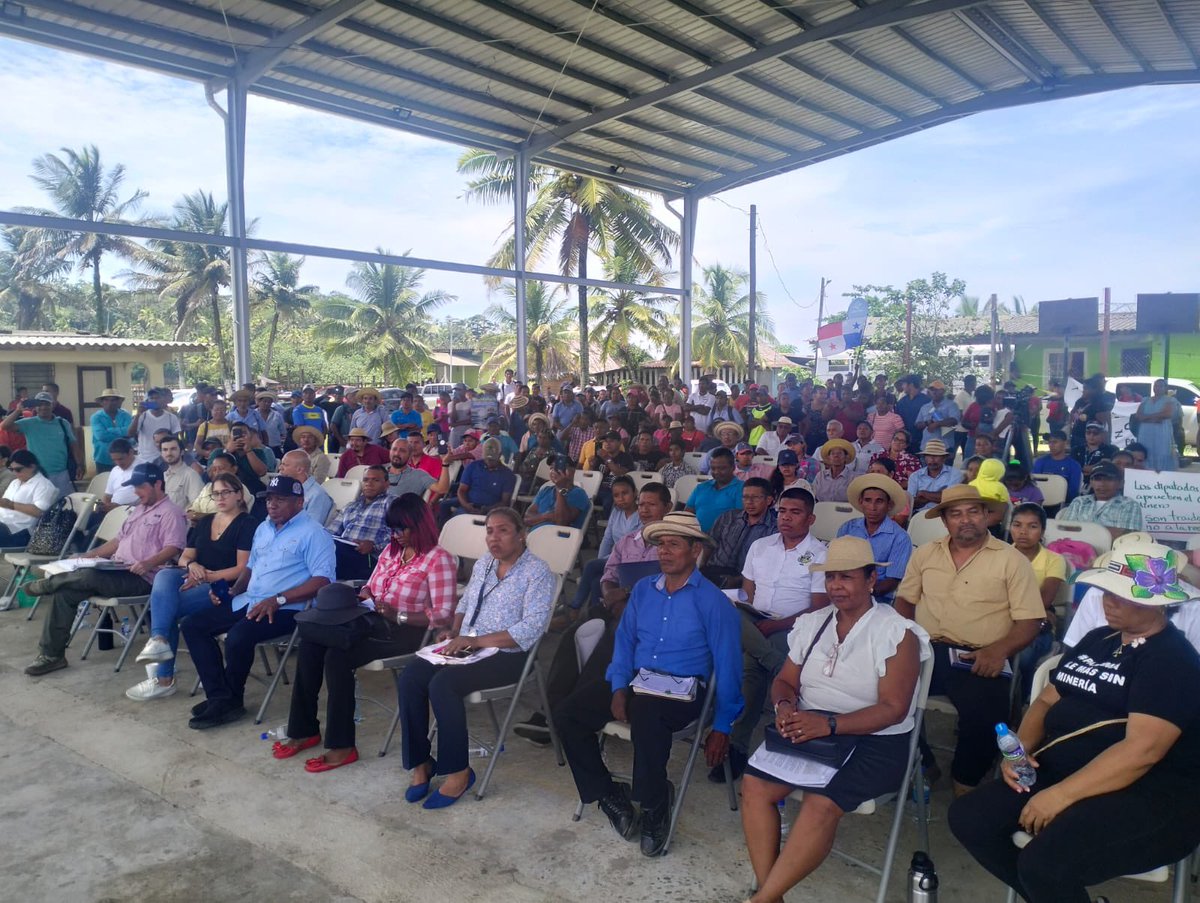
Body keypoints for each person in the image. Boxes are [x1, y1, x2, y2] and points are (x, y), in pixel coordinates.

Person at [949, 537, 1200, 903]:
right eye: (1104, 591)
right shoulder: (1100, 638)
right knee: (969, 818)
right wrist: (1018, 754)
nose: (1106, 601)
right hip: (1062, 767)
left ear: (1157, 602)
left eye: (1121, 595)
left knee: (1045, 863)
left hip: (1147, 792)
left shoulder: (1172, 661)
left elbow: (1141, 751)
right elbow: (1047, 700)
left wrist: (1060, 796)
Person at [740, 537, 930, 903]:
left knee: (820, 803)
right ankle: (770, 894)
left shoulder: (894, 632)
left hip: (876, 740)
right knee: (754, 785)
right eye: (830, 578)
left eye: (846, 577)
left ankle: (762, 899)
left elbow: (894, 708)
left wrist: (828, 724)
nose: (836, 586)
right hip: (813, 727)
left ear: (871, 579)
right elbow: (784, 680)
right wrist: (783, 706)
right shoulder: (813, 623)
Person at [555, 511, 742, 856]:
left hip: (684, 690)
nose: (665, 551)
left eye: (674, 544)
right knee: (569, 712)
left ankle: (654, 804)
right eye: (661, 544)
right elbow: (624, 644)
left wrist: (723, 725)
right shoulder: (642, 590)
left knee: (648, 713)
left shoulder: (714, 602)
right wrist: (617, 688)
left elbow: (730, 667)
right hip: (637, 682)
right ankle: (609, 794)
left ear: (695, 550)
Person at [276, 495, 456, 771]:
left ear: (420, 525)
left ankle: (342, 745)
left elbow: (443, 613)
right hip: (370, 618)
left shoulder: (438, 559)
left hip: (405, 630)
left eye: (404, 529)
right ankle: (304, 729)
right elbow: (370, 586)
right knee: (311, 642)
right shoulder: (392, 550)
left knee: (337, 656)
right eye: (394, 529)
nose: (398, 535)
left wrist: (398, 614)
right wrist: (366, 594)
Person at [399, 507, 554, 808]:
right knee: (411, 677)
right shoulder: (485, 563)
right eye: (489, 531)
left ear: (522, 535)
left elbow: (531, 629)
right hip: (468, 645)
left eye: (503, 530)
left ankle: (459, 771)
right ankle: (421, 764)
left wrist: (474, 640)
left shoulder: (538, 572)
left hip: (507, 653)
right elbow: (466, 601)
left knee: (443, 686)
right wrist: (452, 630)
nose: (494, 538)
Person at [895, 485, 1044, 795]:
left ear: (986, 516)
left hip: (979, 655)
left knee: (984, 717)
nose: (965, 520)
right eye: (956, 514)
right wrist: (906, 638)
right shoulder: (925, 553)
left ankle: (966, 785)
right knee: (881, 694)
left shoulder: (1011, 560)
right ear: (945, 521)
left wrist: (998, 650)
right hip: (927, 648)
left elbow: (1030, 621)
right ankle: (924, 763)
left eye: (973, 512)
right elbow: (905, 601)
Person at [181, 474, 335, 729]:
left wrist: (279, 598)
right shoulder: (263, 527)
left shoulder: (314, 534)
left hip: (286, 608)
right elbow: (250, 568)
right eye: (269, 499)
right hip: (249, 599)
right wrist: (231, 592)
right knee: (192, 625)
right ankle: (221, 697)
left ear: (299, 502)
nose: (272, 505)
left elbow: (323, 581)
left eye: (281, 500)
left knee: (238, 636)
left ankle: (232, 699)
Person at [23, 463, 187, 676]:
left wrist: (149, 562)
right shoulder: (139, 509)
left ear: (157, 484)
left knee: (89, 576)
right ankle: (52, 656)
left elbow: (174, 547)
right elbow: (116, 542)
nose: (136, 491)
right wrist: (86, 555)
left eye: (141, 486)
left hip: (142, 578)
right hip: (115, 570)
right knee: (65, 592)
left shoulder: (171, 513)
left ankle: (47, 583)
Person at [721, 488, 828, 781]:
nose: (786, 518)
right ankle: (774, 663)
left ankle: (736, 747)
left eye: (795, 512)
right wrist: (750, 614)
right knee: (725, 609)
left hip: (793, 627)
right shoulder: (761, 546)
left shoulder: (820, 554)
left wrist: (774, 626)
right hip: (754, 621)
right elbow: (748, 591)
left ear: (810, 518)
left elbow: (818, 609)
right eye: (782, 511)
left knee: (749, 668)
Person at [125, 473, 256, 701]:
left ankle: (163, 676)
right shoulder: (205, 522)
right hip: (196, 580)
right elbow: (184, 557)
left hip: (226, 588)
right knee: (165, 574)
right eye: (215, 493)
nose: (220, 497)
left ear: (239, 495)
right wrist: (193, 565)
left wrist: (205, 577)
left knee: (166, 610)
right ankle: (159, 642)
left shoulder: (247, 524)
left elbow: (241, 569)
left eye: (226, 492)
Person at [1009, 502, 1067, 699]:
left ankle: (1025, 700)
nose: (1023, 532)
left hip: (1034, 623)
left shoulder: (1054, 560)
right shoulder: (1000, 555)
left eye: (1032, 526)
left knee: (1023, 658)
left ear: (1042, 530)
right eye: (1017, 525)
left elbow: (1044, 599)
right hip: (1000, 621)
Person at [837, 474, 913, 605]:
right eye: (867, 500)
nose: (872, 507)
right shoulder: (848, 528)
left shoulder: (900, 537)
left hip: (878, 599)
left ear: (889, 505)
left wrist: (860, 591)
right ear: (861, 502)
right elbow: (836, 565)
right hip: (842, 593)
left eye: (879, 501)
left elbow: (892, 582)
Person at [0, 391, 81, 499]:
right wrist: (18, 410)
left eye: (46, 404)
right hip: (38, 474)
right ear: (35, 408)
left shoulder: (62, 423)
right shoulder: (28, 423)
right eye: (39, 404)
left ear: (52, 405)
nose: (43, 407)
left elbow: (73, 444)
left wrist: (80, 465)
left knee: (63, 506)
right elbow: (5, 426)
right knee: (42, 506)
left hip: (62, 473)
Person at [701, 477, 777, 587]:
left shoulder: (773, 529)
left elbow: (767, 566)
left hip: (745, 580)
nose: (749, 502)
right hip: (712, 571)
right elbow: (709, 544)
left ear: (768, 500)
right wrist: (702, 566)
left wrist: (738, 580)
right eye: (745, 497)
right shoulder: (728, 517)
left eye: (755, 498)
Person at [327, 465, 392, 580]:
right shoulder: (351, 505)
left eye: (375, 480)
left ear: (387, 484)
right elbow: (331, 532)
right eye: (366, 480)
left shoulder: (391, 503)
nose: (369, 484)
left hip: (370, 558)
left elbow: (400, 534)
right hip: (344, 552)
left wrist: (374, 546)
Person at [1057, 460, 1145, 541]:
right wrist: (1106, 531)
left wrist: (1082, 529)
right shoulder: (1079, 502)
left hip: (1111, 554)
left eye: (1109, 479)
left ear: (1120, 483)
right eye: (1097, 479)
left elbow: (1128, 538)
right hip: (1076, 550)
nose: (1102, 484)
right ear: (1091, 482)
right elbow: (1064, 530)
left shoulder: (1129, 505)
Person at [437, 437, 517, 524]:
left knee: (462, 518)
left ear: (500, 455)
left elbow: (505, 502)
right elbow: (462, 490)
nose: (489, 462)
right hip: (469, 503)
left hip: (492, 509)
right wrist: (466, 505)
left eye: (492, 460)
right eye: (487, 459)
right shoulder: (473, 466)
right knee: (445, 506)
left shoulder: (507, 474)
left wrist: (486, 510)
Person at [0, 449, 57, 548]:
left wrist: (11, 505)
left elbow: (40, 512)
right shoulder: (15, 482)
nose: (14, 473)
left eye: (18, 469)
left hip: (19, 531)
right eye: (11, 469)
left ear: (32, 467)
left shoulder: (43, 485)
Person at [525, 454, 590, 531]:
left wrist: (560, 488)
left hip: (559, 539)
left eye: (558, 467)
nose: (553, 471)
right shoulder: (545, 490)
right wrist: (546, 516)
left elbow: (561, 522)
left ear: (572, 471)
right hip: (536, 535)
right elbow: (527, 519)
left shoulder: (579, 493)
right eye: (551, 468)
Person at [685, 447, 742, 532]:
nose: (716, 472)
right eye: (713, 468)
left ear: (733, 467)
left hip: (725, 539)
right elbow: (687, 513)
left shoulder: (741, 488)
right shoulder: (701, 487)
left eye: (722, 468)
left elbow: (740, 521)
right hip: (696, 537)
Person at [278, 449, 333, 527]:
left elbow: (311, 528)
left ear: (299, 470)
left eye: (285, 465)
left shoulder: (318, 495)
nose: (280, 468)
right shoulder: (284, 489)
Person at [1134, 378, 1180, 472]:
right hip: (1145, 432)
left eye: (1160, 386)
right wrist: (1155, 418)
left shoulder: (1170, 400)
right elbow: (1138, 415)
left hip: (1161, 432)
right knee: (1146, 451)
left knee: (1161, 450)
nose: (1157, 388)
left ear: (1165, 388)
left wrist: (1147, 417)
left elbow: (1167, 414)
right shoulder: (1145, 400)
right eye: (1156, 386)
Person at [906, 439, 962, 515]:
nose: (932, 459)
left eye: (936, 456)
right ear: (925, 458)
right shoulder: (915, 476)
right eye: (928, 455)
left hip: (945, 514)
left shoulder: (955, 473)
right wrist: (940, 494)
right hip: (920, 515)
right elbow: (911, 503)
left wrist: (923, 493)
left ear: (944, 458)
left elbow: (951, 499)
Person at [127, 388, 181, 463]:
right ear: (148, 401)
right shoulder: (143, 416)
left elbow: (175, 439)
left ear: (163, 400)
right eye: (151, 398)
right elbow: (130, 433)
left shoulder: (171, 417)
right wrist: (138, 414)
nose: (154, 400)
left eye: (157, 398)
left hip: (164, 459)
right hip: (145, 458)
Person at [1032, 429, 1083, 503]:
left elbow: (1073, 492)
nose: (1051, 445)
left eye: (1055, 442)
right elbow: (1033, 484)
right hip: (1040, 503)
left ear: (1065, 443)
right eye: (1049, 442)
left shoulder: (1074, 465)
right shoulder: (1040, 462)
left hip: (1063, 504)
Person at [157, 434, 204, 510]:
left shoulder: (191, 475)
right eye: (165, 450)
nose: (169, 453)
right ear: (161, 454)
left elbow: (198, 507)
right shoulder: (162, 477)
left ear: (182, 452)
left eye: (173, 449)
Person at [90, 389, 132, 472]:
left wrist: (110, 430)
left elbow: (129, 432)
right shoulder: (96, 417)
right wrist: (122, 433)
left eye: (113, 400)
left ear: (119, 402)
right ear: (101, 402)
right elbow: (101, 436)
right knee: (105, 483)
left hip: (125, 458)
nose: (110, 403)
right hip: (103, 459)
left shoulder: (126, 415)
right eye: (106, 400)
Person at [915, 380, 959, 450]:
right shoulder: (925, 407)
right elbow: (917, 425)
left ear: (943, 391)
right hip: (927, 446)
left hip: (945, 446)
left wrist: (937, 424)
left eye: (937, 390)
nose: (934, 392)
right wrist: (928, 422)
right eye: (932, 390)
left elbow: (954, 420)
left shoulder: (951, 405)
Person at [1074, 422, 1119, 489]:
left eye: (1095, 433)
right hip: (1078, 483)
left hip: (1101, 484)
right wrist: (1097, 466)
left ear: (1103, 434)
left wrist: (1090, 468)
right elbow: (1073, 466)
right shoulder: (1076, 449)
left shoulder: (1111, 450)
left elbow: (1108, 467)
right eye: (1088, 433)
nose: (1091, 436)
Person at [812, 438, 855, 503]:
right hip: (821, 510)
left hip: (844, 511)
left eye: (839, 453)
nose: (836, 456)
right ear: (829, 457)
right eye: (833, 453)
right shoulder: (820, 476)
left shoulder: (853, 478)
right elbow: (813, 495)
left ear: (846, 457)